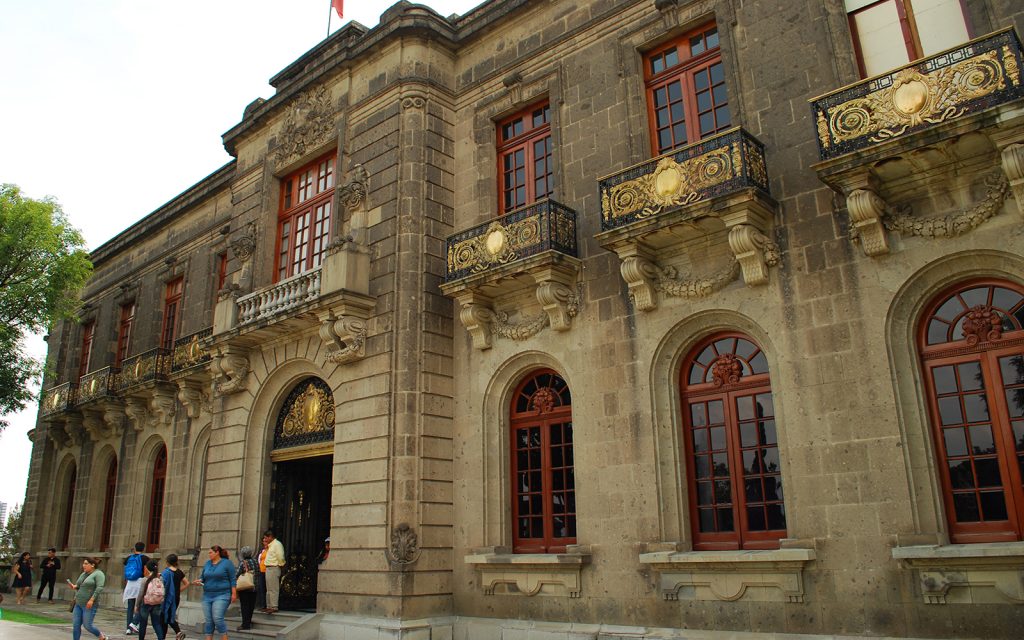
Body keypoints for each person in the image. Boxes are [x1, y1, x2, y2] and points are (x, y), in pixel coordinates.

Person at [195, 545, 237, 640]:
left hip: (222, 594)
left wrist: (234, 593)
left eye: (210, 552)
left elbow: (233, 579)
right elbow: (203, 577)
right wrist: (199, 581)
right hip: (207, 595)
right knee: (209, 620)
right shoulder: (207, 564)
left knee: (217, 618)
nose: (209, 554)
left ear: (217, 552)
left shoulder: (227, 563)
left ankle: (224, 636)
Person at [68, 557, 108, 640]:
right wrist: (74, 586)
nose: (84, 565)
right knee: (76, 625)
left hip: (89, 604)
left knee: (88, 625)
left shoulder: (98, 574)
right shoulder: (84, 574)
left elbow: (99, 588)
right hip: (78, 603)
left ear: (92, 565)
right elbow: (78, 585)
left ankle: (101, 636)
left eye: (86, 564)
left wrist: (91, 599)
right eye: (83, 563)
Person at [160, 553, 190, 640]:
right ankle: (177, 633)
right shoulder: (179, 572)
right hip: (176, 598)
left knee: (164, 616)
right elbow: (187, 583)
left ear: (167, 562)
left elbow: (162, 585)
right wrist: (179, 590)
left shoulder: (166, 572)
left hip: (166, 598)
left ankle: (176, 633)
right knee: (170, 615)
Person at [123, 542, 150, 635]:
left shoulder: (128, 558)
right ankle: (135, 625)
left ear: (135, 548)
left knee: (130, 607)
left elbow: (125, 572)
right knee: (140, 606)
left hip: (130, 584)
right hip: (140, 583)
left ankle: (128, 628)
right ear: (143, 548)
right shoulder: (145, 558)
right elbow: (146, 572)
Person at [135, 561, 166, 640]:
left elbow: (141, 593)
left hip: (146, 603)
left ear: (147, 568)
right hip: (157, 602)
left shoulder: (145, 579)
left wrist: (137, 605)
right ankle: (161, 638)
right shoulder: (160, 578)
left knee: (143, 624)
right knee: (156, 623)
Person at [261, 529, 285, 614]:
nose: (265, 540)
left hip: (274, 567)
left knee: (273, 588)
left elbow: (280, 556)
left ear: (270, 537)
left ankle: (274, 606)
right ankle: (269, 606)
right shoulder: (271, 545)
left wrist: (281, 565)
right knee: (269, 589)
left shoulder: (277, 544)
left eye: (266, 538)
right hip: (268, 567)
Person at [235, 546, 258, 631]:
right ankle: (248, 621)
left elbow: (237, 574)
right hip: (254, 586)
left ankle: (245, 624)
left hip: (244, 587)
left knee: (244, 606)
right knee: (251, 605)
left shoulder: (243, 562)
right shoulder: (256, 561)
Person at [256, 539, 268, 610]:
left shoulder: (270, 550)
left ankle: (267, 605)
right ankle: (263, 605)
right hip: (261, 571)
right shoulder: (262, 551)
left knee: (267, 588)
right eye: (263, 541)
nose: (264, 543)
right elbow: (259, 560)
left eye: (266, 541)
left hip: (267, 571)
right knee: (262, 588)